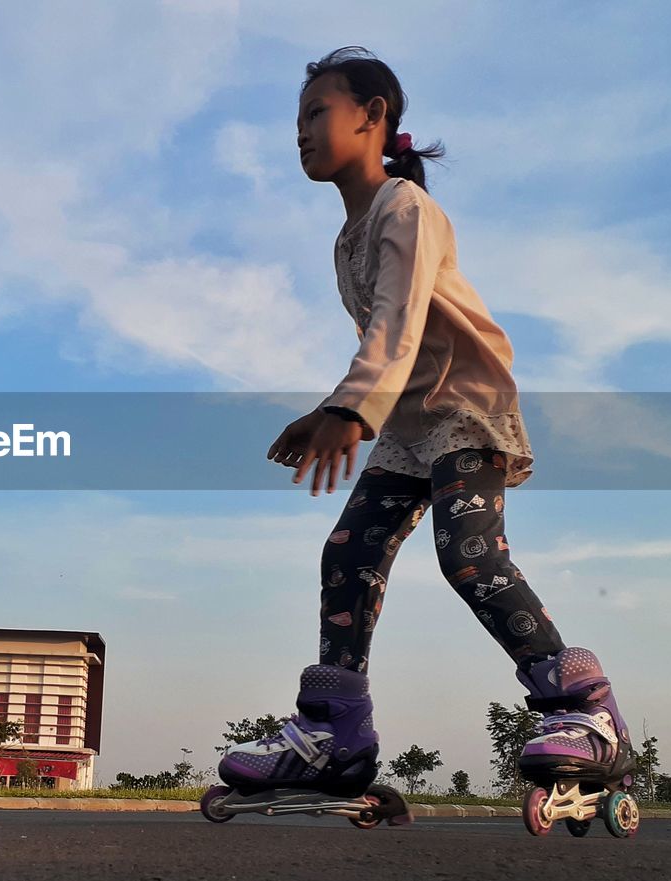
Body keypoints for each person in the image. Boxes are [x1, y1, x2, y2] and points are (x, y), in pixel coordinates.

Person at [217, 47, 634, 799]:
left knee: (469, 555)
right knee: (348, 555)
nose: (301, 132)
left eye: (317, 113)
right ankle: (334, 733)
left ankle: (585, 710)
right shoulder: (346, 239)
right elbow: (386, 333)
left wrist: (349, 407)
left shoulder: (405, 208)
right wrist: (335, 407)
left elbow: (399, 319)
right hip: (411, 424)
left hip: (468, 405)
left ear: (373, 117)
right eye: (297, 120)